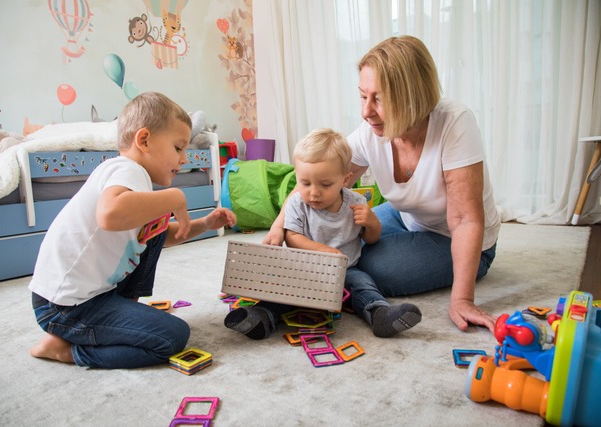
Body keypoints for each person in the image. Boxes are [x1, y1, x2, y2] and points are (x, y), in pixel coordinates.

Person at [265, 35, 501, 334]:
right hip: (406, 218)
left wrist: (462, 299)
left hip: (456, 237)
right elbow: (321, 178)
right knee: (344, 240)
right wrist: (279, 224)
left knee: (371, 265)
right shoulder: (369, 131)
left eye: (378, 98)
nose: (366, 111)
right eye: (363, 96)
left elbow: (465, 219)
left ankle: (368, 298)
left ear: (412, 95)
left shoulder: (454, 123)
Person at [28, 92, 236, 369]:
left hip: (75, 297)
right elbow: (109, 215)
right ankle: (66, 351)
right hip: (65, 307)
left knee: (154, 228)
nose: (184, 159)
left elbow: (154, 237)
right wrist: (176, 198)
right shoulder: (127, 169)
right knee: (172, 336)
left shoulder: (132, 181)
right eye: (178, 148)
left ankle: (124, 308)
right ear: (144, 140)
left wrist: (205, 225)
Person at [225, 128, 421, 339]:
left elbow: (371, 240)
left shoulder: (355, 203)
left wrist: (372, 224)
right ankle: (261, 316)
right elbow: (292, 238)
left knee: (363, 284)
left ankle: (379, 313)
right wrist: (324, 251)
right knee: (283, 288)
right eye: (305, 183)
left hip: (347, 269)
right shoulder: (297, 203)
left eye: (325, 184)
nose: (314, 192)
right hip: (304, 269)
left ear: (345, 180)